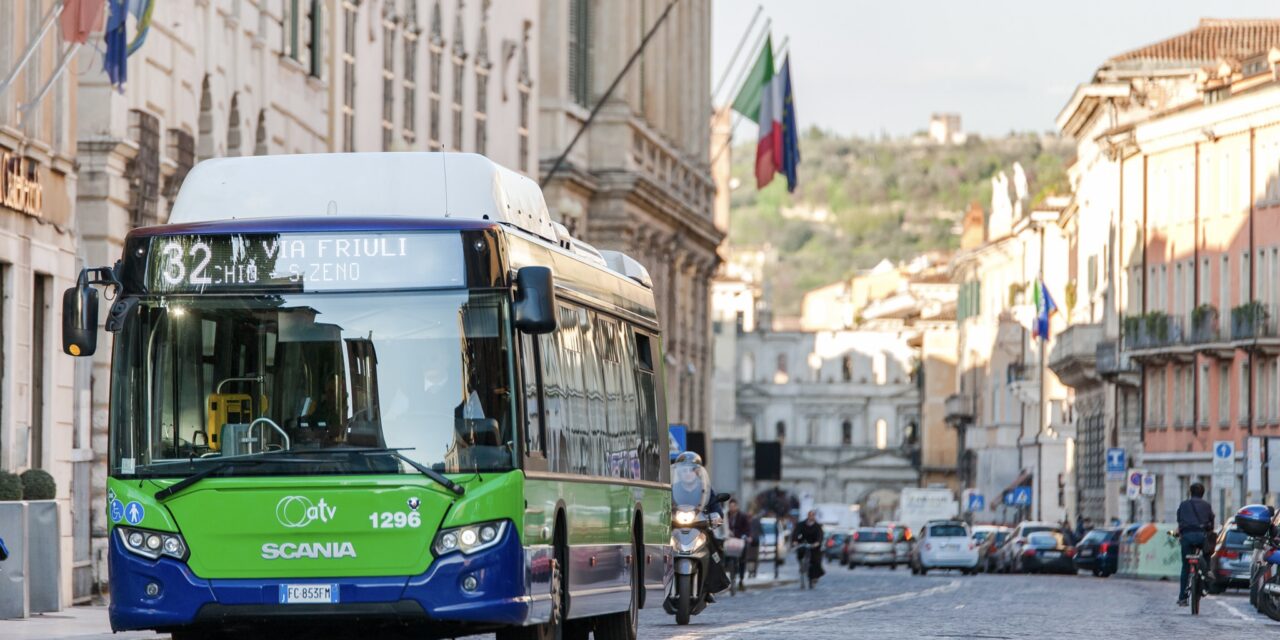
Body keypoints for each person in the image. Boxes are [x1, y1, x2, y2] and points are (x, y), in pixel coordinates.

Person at [1175, 482, 1216, 607]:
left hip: (1186, 537)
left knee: (1185, 567)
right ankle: (1207, 570)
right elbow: (1211, 523)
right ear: (1203, 493)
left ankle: (1182, 597)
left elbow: (1179, 520)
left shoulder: (1183, 505)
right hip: (1201, 537)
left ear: (1190, 492)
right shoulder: (1207, 506)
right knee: (1207, 552)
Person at [791, 510, 825, 585]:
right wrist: (795, 541)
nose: (811, 517)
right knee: (800, 553)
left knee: (816, 559)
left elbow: (820, 536)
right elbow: (796, 533)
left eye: (812, 515)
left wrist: (817, 543)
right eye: (810, 515)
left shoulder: (817, 526)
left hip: (814, 545)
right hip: (803, 542)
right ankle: (802, 567)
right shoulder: (801, 524)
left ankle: (814, 576)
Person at [726, 499, 751, 591]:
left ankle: (741, 579)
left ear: (737, 506)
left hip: (739, 539)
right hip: (728, 540)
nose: (732, 508)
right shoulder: (726, 516)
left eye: (733, 506)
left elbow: (747, 529)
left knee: (742, 559)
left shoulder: (742, 516)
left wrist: (747, 536)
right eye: (730, 506)